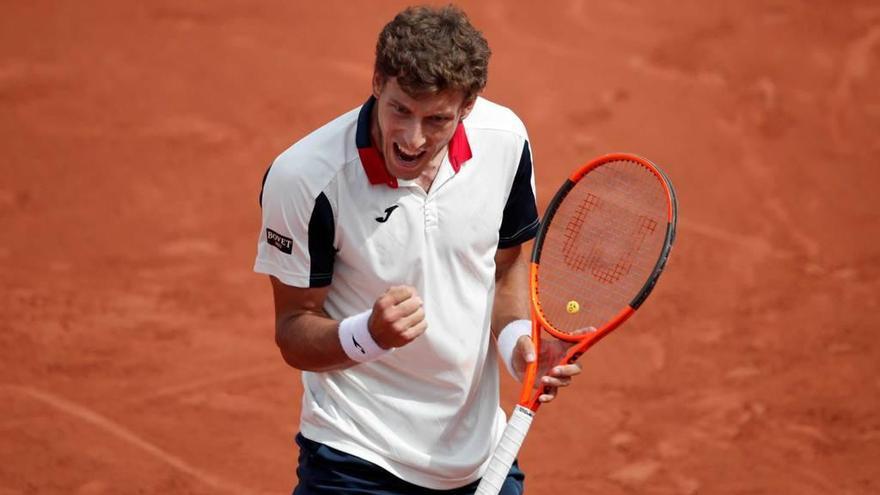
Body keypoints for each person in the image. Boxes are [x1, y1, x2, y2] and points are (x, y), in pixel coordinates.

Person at [254, 5, 582, 494]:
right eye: (400, 110)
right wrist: (368, 335)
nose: (411, 138)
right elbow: (293, 329)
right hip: (356, 458)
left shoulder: (506, 141)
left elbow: (503, 271)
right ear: (376, 83)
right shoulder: (305, 178)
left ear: (467, 107)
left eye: (436, 120)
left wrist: (522, 350)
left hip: (479, 457)